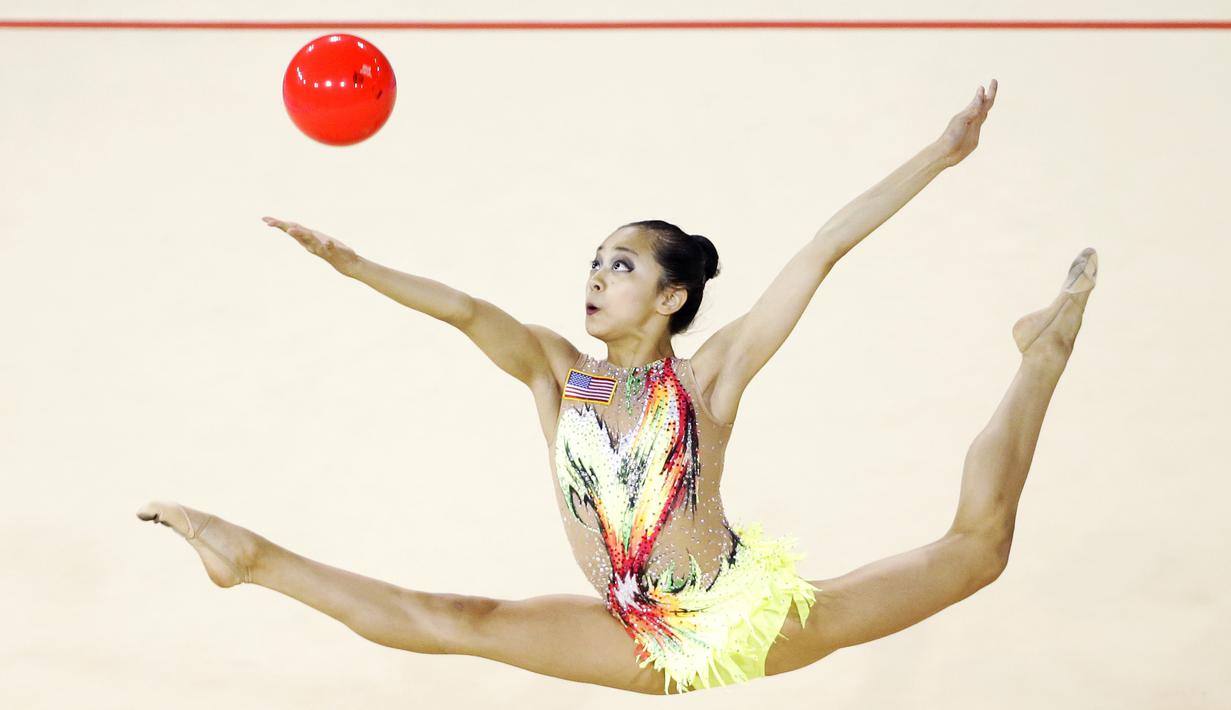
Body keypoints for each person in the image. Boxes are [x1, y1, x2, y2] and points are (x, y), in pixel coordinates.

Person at [138, 78, 1098, 695]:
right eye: (595, 260)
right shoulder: (557, 373)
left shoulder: (711, 374)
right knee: (457, 621)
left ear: (672, 297)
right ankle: (247, 557)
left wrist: (939, 152)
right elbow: (473, 313)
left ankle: (1038, 357)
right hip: (632, 628)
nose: (597, 276)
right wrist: (358, 267)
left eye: (622, 266)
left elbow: (823, 248)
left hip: (733, 617)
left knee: (977, 553)